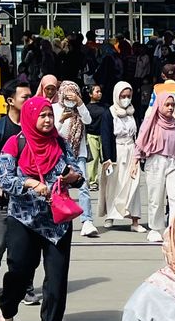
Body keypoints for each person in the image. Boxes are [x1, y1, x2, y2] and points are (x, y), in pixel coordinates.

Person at [0, 95, 84, 321]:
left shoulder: (62, 144)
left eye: (49, 115)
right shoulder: (16, 143)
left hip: (57, 221)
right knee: (21, 270)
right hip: (24, 219)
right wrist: (29, 182)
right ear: (31, 117)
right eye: (42, 115)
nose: (47, 120)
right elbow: (4, 179)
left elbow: (78, 173)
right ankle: (7, 304)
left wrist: (72, 177)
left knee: (56, 274)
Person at [0, 78, 30, 294]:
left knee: (24, 247)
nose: (29, 100)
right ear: (10, 100)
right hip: (2, 198)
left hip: (28, 197)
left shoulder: (34, 127)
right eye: (24, 97)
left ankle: (24, 284)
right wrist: (1, 180)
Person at [134, 92, 175, 244]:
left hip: (174, 163)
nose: (170, 108)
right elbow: (140, 141)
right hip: (156, 161)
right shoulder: (151, 122)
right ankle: (155, 229)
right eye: (167, 105)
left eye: (172, 105)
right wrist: (135, 162)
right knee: (156, 197)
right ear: (160, 105)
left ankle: (173, 229)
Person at [54, 81, 99, 238]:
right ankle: (59, 217)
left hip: (78, 152)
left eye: (73, 95)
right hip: (59, 153)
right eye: (67, 95)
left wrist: (79, 103)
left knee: (83, 185)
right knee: (58, 185)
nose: (69, 99)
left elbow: (88, 121)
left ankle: (87, 221)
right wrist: (60, 120)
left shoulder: (80, 109)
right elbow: (52, 132)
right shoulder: (54, 109)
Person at [100, 81, 145, 233]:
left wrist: (140, 153)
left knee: (134, 184)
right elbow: (105, 137)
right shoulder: (109, 113)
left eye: (128, 96)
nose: (126, 99)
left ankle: (135, 220)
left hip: (131, 150)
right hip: (116, 152)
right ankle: (110, 215)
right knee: (114, 184)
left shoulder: (133, 111)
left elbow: (138, 133)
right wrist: (107, 158)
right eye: (123, 96)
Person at [84, 84, 107, 191]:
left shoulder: (105, 107)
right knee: (94, 160)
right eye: (97, 91)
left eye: (100, 91)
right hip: (91, 136)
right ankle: (93, 182)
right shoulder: (86, 108)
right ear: (90, 94)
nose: (99, 93)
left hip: (104, 135)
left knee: (105, 159)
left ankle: (105, 180)